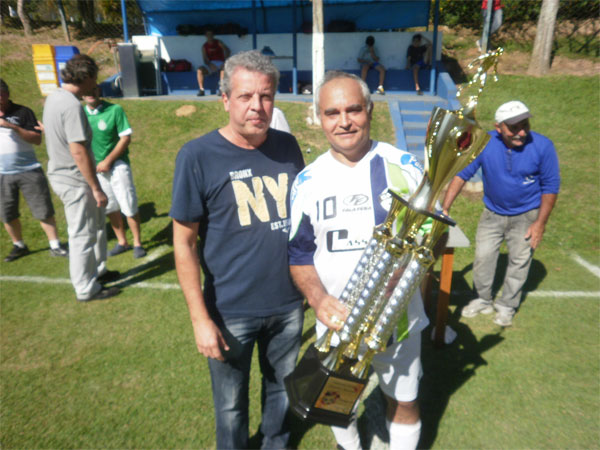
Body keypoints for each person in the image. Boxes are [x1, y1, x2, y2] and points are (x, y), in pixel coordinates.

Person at [171, 50, 305, 449]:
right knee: (230, 406)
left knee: (282, 391)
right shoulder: (197, 156)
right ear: (225, 99)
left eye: (265, 96)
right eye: (245, 96)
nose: (257, 106)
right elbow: (184, 242)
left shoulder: (288, 146)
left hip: (288, 305)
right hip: (231, 310)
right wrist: (199, 319)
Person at [288, 71, 429, 450]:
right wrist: (318, 299)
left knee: (404, 400)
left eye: (353, 110)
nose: (344, 121)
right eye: (332, 113)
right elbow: (299, 254)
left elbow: (430, 240)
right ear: (319, 117)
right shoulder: (307, 181)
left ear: (370, 110)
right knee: (336, 400)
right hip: (336, 321)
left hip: (398, 320)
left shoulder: (406, 168)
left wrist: (410, 278)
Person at [442, 100, 560, 327]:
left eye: (524, 125)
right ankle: (482, 299)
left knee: (519, 262)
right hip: (492, 214)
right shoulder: (484, 143)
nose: (521, 132)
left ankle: (507, 306)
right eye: (514, 127)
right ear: (498, 127)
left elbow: (551, 187)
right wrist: (445, 208)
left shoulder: (543, 146)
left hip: (527, 215)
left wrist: (540, 223)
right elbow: (462, 175)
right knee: (483, 257)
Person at [43, 54, 120, 302]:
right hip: (75, 179)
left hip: (66, 175)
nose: (95, 84)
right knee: (82, 235)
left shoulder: (54, 97)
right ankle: (85, 288)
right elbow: (78, 151)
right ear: (85, 77)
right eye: (94, 79)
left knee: (96, 227)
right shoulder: (71, 106)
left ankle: (98, 271)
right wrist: (95, 187)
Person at [0, 79, 68, 262]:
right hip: (2, 173)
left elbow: (36, 139)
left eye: (1, 95)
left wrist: (13, 127)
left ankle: (55, 245)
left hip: (28, 169)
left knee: (43, 209)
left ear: (7, 94)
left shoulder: (23, 112)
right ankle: (19, 245)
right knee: (6, 213)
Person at [83, 86, 146, 259]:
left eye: (93, 90)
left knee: (128, 203)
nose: (90, 94)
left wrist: (108, 161)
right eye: (86, 91)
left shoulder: (115, 110)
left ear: (98, 91)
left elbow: (125, 138)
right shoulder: (80, 114)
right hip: (96, 169)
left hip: (117, 165)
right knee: (110, 206)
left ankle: (137, 243)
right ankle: (122, 242)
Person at [196, 29, 230, 97]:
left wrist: (225, 61)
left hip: (221, 62)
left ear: (213, 35)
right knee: (200, 70)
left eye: (211, 34)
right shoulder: (204, 46)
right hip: (211, 64)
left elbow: (228, 51)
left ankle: (221, 89)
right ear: (206, 36)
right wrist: (210, 64)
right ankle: (201, 90)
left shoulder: (218, 42)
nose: (210, 36)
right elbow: (205, 59)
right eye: (208, 35)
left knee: (223, 68)